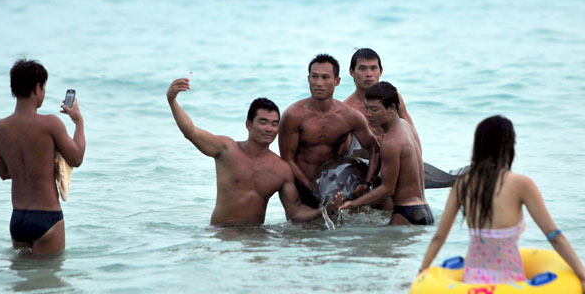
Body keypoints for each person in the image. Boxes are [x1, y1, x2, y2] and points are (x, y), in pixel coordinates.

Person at [418, 115, 585, 289]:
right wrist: (582, 274)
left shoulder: (463, 184)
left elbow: (439, 237)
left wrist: (422, 272)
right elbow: (553, 235)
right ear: (509, 146)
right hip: (510, 287)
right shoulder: (521, 184)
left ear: (478, 146)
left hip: (472, 285)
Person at [166, 77, 337, 226]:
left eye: (274, 123)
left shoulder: (281, 169)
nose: (269, 129)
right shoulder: (226, 150)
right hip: (222, 234)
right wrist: (172, 100)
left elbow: (295, 212)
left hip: (256, 237)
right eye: (263, 122)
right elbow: (191, 132)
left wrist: (324, 211)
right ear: (249, 125)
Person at [0, 59, 86, 255]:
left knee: (23, 279)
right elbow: (76, 158)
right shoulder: (50, 123)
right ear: (37, 88)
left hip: (18, 219)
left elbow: (4, 173)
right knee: (49, 281)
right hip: (47, 217)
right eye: (43, 87)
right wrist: (78, 122)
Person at [278, 53, 380, 208]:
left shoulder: (349, 116)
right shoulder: (293, 115)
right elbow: (287, 159)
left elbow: (375, 149)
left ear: (337, 81)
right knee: (301, 232)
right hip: (301, 191)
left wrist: (366, 184)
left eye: (325, 77)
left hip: (334, 190)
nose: (319, 83)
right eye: (314, 77)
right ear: (308, 79)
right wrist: (312, 190)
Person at [339, 81, 433, 225]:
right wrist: (367, 183)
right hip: (423, 208)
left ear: (392, 108)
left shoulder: (391, 141)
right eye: (366, 109)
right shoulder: (406, 126)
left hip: (405, 213)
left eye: (374, 110)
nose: (368, 115)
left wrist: (352, 204)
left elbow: (387, 189)